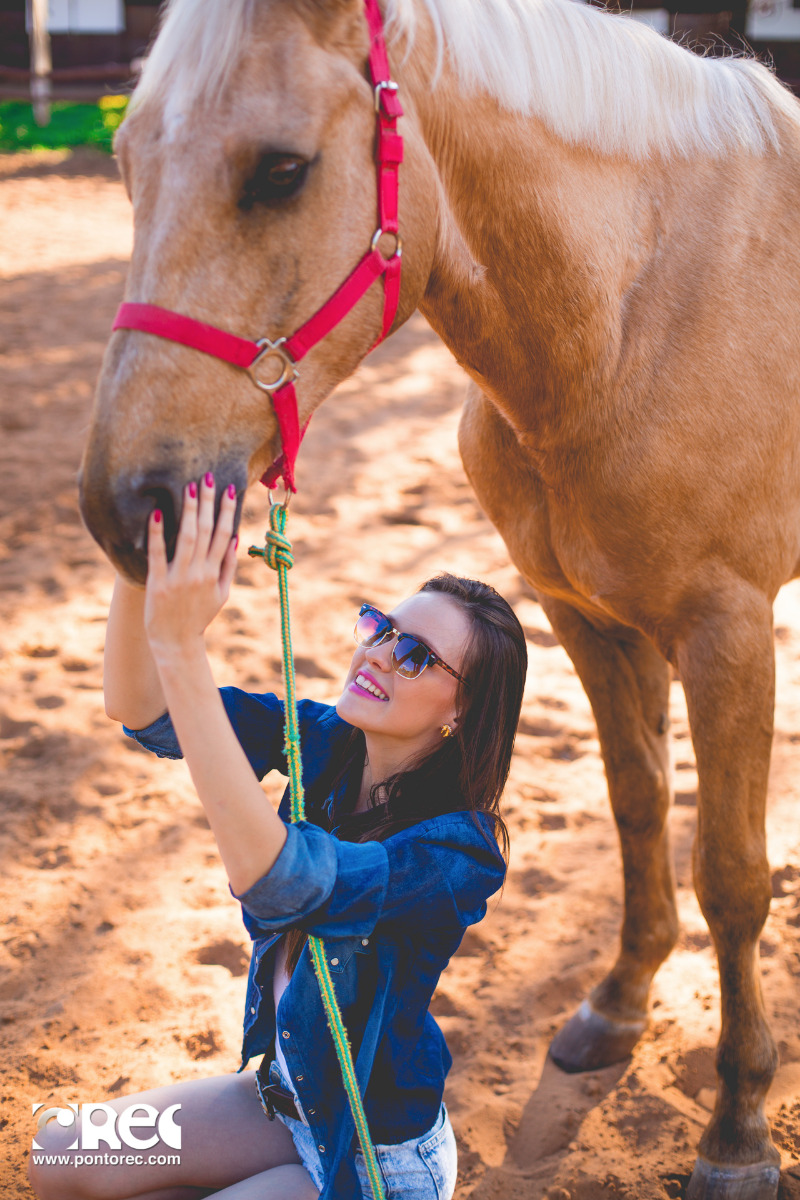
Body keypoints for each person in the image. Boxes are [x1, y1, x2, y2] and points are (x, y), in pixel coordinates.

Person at [29, 473, 527, 1200]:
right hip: (283, 1103)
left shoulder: (459, 852)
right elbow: (141, 709)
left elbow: (285, 884)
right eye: (381, 627)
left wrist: (182, 645)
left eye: (416, 654)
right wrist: (136, 564)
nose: (380, 652)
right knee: (61, 1154)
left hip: (373, 1159)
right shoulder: (328, 741)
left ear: (462, 710)